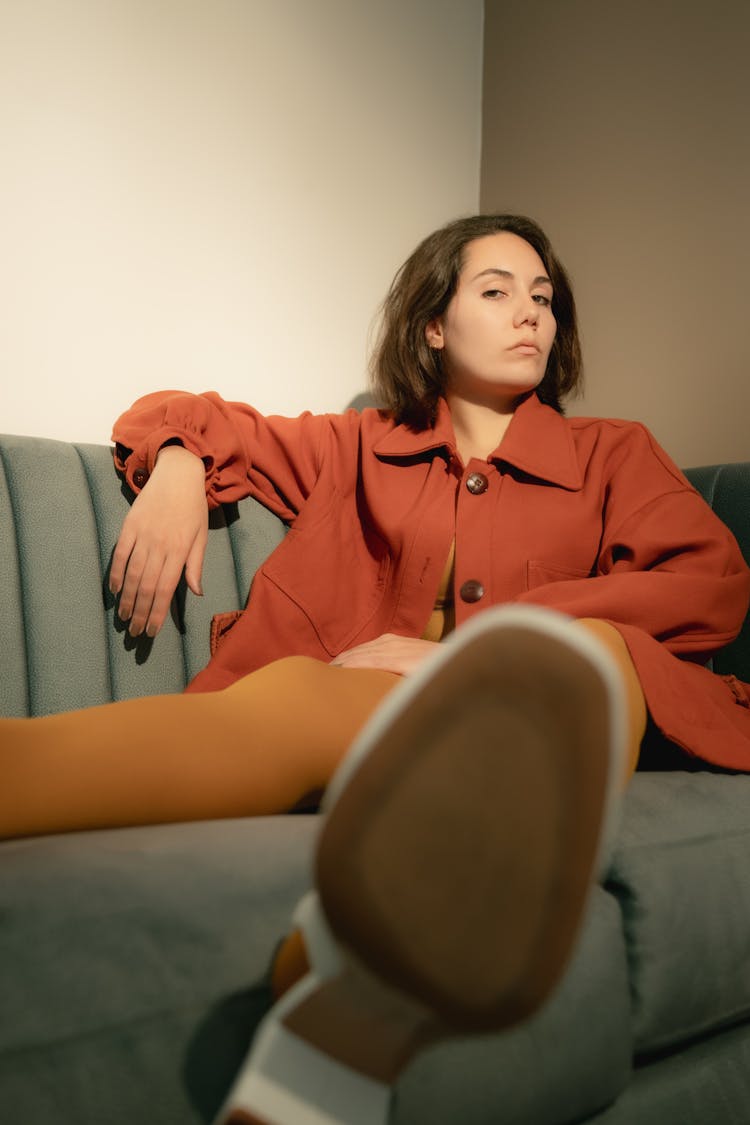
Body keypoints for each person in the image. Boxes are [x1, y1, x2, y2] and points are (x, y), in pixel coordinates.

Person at [3, 214, 750, 1124]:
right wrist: (173, 469)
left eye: (544, 298)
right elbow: (189, 416)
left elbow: (708, 581)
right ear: (432, 324)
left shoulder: (612, 452)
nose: (531, 315)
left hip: (569, 699)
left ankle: (369, 971)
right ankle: (362, 988)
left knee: (584, 660)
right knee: (297, 695)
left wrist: (466, 651)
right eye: (498, 291)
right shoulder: (358, 447)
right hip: (375, 707)